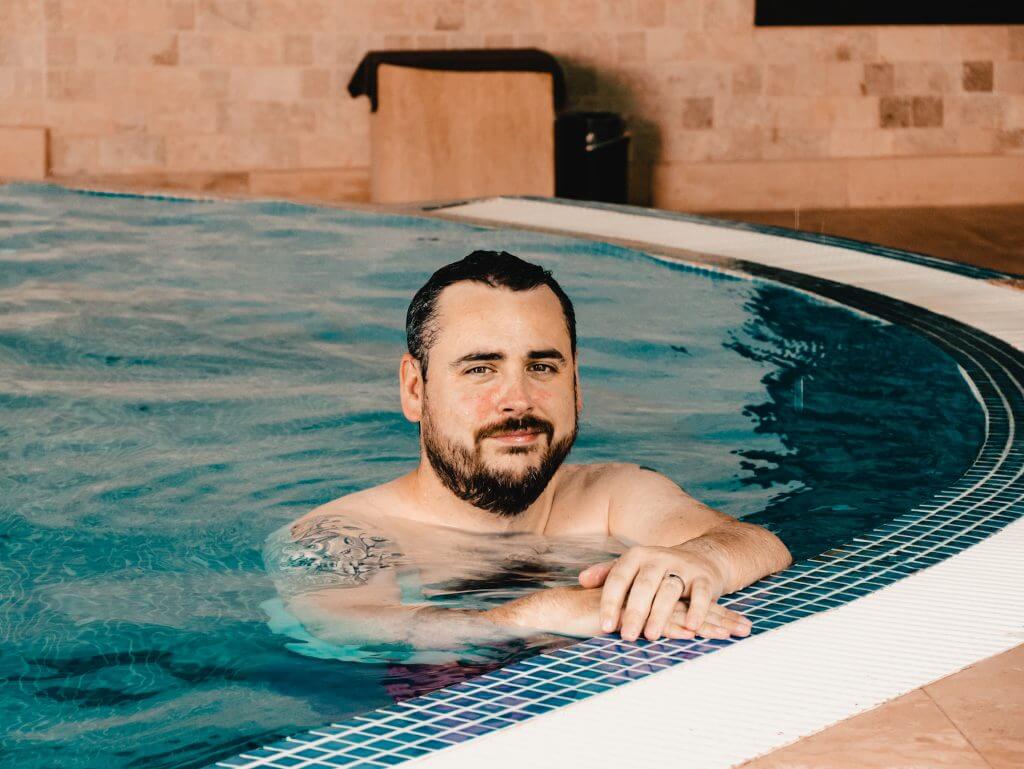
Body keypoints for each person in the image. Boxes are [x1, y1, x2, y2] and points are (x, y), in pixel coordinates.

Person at [267, 250, 792, 652]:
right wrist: (532, 615)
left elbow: (755, 543)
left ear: (576, 385)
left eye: (542, 367)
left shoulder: (614, 496)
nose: (517, 400)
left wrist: (699, 560)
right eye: (480, 369)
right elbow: (343, 625)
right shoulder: (340, 534)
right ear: (414, 390)